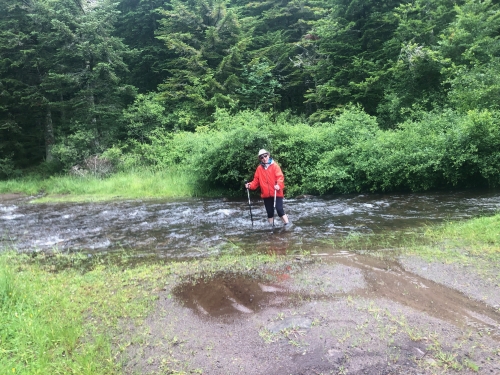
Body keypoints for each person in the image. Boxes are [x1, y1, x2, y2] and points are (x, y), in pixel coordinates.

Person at [245, 149, 290, 226]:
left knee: (279, 210)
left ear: (268, 155)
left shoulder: (275, 166)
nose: (264, 158)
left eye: (265, 156)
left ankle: (287, 224)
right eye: (262, 157)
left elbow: (280, 177)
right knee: (269, 212)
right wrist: (249, 185)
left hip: (276, 192)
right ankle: (271, 227)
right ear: (260, 159)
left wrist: (278, 185)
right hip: (266, 194)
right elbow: (255, 181)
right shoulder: (259, 168)